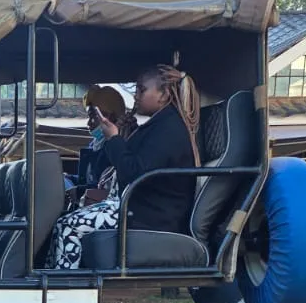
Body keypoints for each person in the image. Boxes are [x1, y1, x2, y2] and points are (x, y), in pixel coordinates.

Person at [47, 65, 202, 270]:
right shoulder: (157, 125)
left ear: (164, 95)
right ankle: (52, 281)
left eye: (141, 90)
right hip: (136, 206)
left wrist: (114, 139)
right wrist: (123, 136)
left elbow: (133, 172)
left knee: (68, 227)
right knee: (63, 222)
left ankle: (64, 289)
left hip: (147, 214)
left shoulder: (169, 130)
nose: (136, 96)